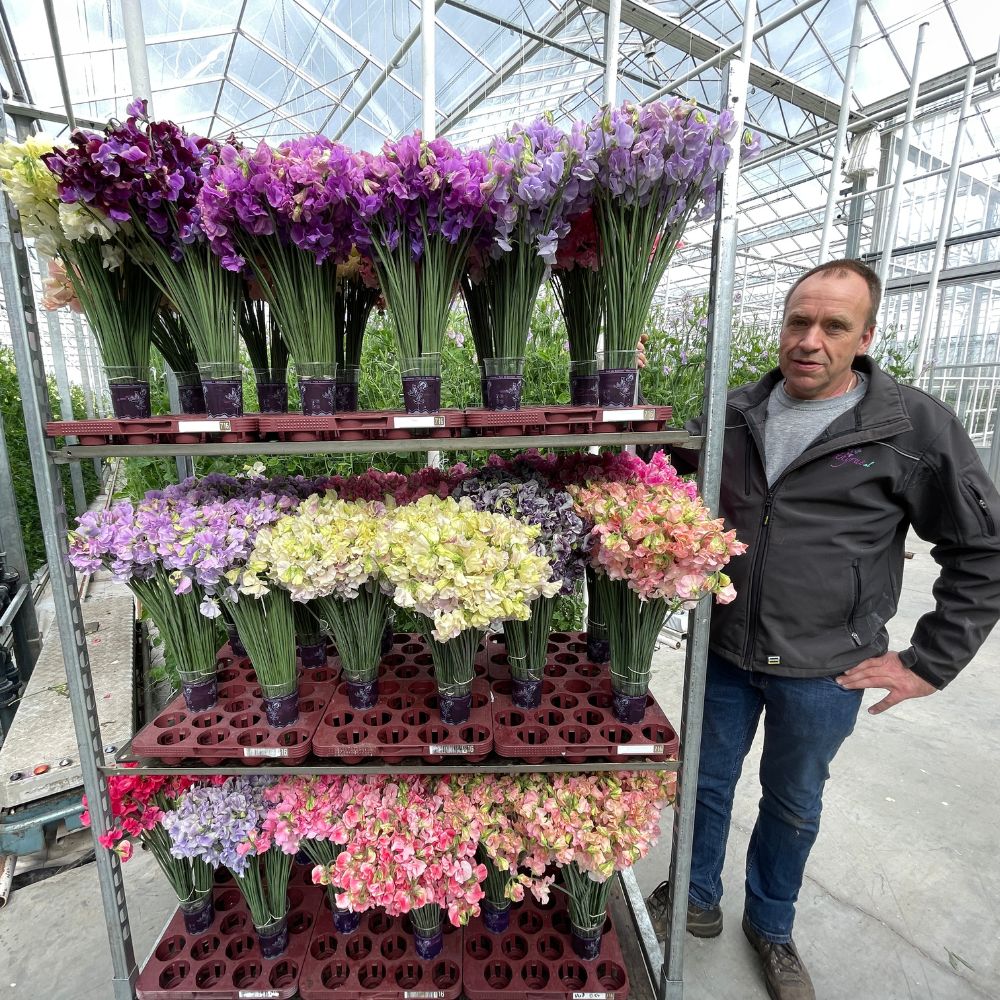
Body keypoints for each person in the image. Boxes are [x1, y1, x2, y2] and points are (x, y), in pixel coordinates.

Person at [645, 258, 1000, 1000]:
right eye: (797, 321)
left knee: (793, 799)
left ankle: (771, 926)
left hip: (826, 665)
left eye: (833, 325)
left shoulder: (909, 426)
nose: (810, 339)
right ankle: (695, 900)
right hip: (724, 648)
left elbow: (982, 546)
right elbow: (667, 481)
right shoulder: (736, 411)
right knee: (703, 784)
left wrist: (928, 662)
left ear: (865, 336)